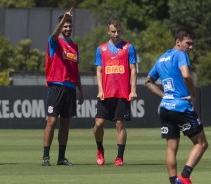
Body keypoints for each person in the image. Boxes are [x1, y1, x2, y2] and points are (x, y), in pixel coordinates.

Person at [145, 28, 208, 184]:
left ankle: (173, 181)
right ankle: (184, 177)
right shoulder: (181, 55)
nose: (190, 47)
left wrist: (165, 96)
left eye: (192, 44)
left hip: (166, 107)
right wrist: (193, 94)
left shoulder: (160, 59)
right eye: (188, 43)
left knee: (171, 148)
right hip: (180, 107)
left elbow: (147, 82)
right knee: (202, 144)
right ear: (178, 42)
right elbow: (186, 74)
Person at [42, 8, 84, 166]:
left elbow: (76, 70)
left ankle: (61, 157)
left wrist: (80, 91)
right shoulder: (54, 41)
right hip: (56, 87)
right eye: (64, 26)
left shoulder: (74, 46)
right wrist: (63, 19)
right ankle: (46, 156)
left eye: (69, 26)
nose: (67, 29)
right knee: (52, 121)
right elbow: (54, 34)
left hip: (70, 88)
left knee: (65, 123)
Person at [93, 19, 137, 166]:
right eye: (113, 31)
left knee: (120, 124)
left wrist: (133, 90)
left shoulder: (129, 48)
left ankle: (119, 157)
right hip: (105, 93)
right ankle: (100, 149)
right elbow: (99, 71)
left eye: (118, 31)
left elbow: (133, 70)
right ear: (108, 32)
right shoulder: (101, 49)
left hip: (123, 92)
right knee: (98, 124)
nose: (116, 34)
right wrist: (100, 89)